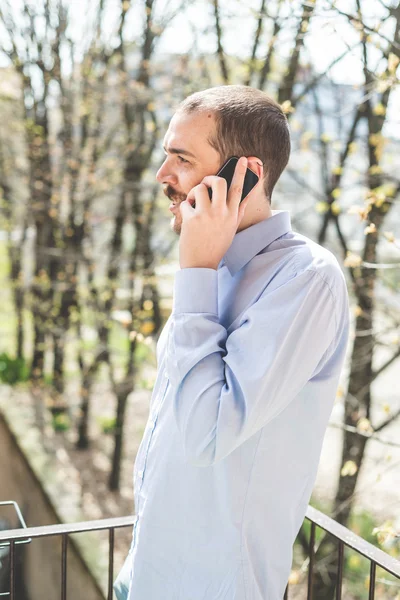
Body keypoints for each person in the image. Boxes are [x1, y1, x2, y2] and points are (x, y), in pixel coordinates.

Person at [114, 85, 350, 600]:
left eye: (181, 158)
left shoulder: (306, 279)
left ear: (245, 175)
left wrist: (195, 270)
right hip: (144, 576)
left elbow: (206, 435)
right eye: (165, 156)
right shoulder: (211, 264)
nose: (163, 176)